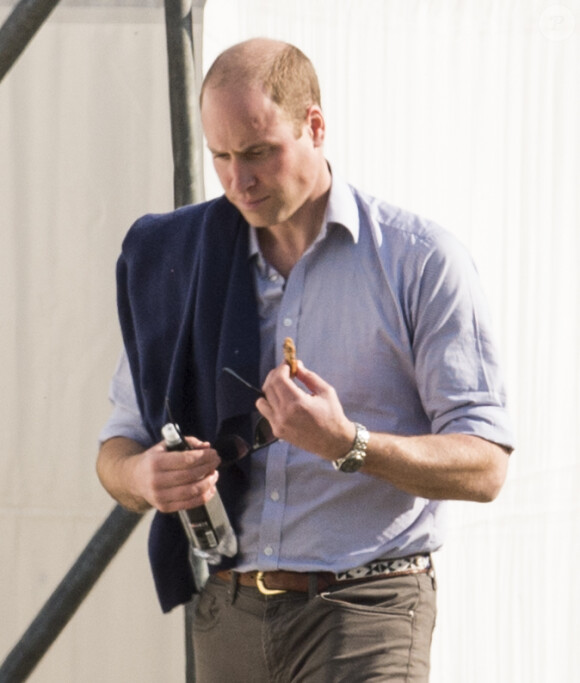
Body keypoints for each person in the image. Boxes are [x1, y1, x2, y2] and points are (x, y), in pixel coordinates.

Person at [97, 37, 514, 682]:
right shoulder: (181, 261)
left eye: (260, 152)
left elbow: (486, 465)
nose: (239, 180)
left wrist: (349, 444)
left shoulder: (420, 261)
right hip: (227, 610)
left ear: (315, 126)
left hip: (367, 609)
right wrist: (144, 478)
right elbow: (116, 451)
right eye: (221, 157)